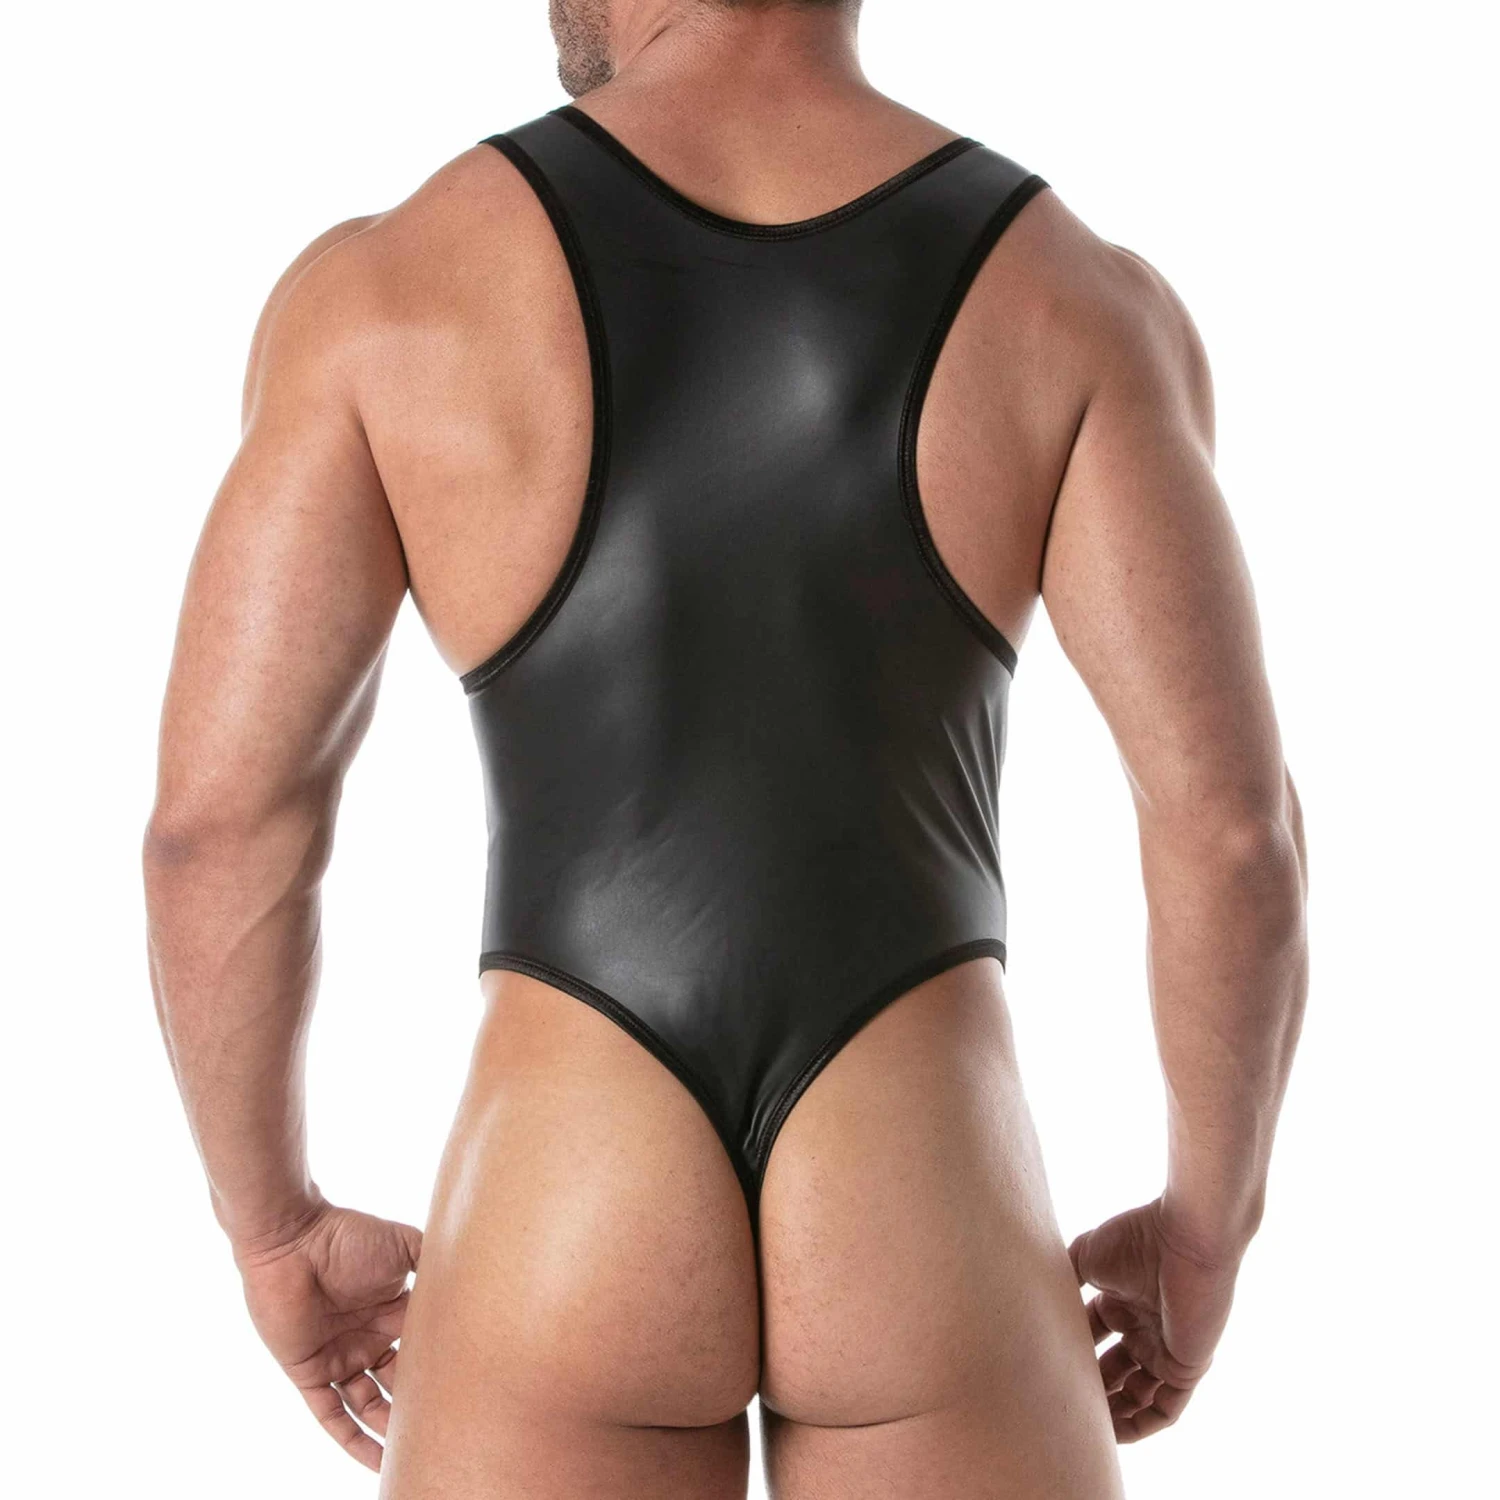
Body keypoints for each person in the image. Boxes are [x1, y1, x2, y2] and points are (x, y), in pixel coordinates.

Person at [142, 0, 1309, 1494]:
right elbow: (1232, 837)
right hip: (924, 1182)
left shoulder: (388, 290)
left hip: (570, 1175)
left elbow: (217, 830)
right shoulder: (1074, 298)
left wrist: (274, 1232)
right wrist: (1206, 1233)